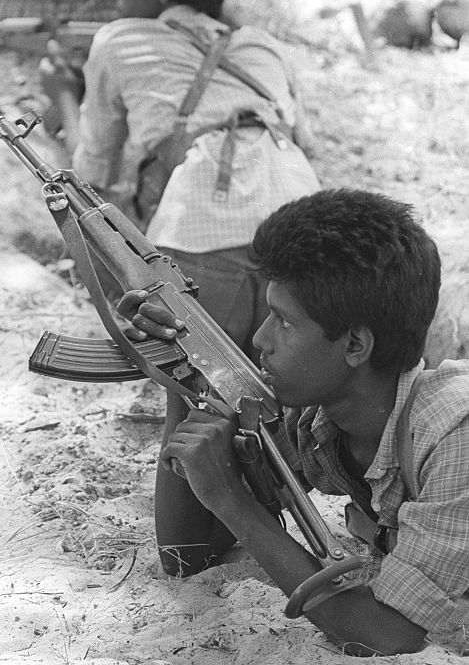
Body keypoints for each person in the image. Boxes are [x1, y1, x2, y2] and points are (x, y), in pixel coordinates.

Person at [117, 188, 469, 657]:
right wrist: (183, 375)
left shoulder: (453, 435)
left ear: (355, 346)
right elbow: (186, 555)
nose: (261, 339)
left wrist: (234, 500)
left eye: (283, 321)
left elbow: (387, 636)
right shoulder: (318, 420)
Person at [39, 0, 320, 357]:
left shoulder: (117, 39)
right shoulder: (262, 46)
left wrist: (64, 97)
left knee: (197, 392)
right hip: (303, 233)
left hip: (201, 235)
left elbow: (91, 177)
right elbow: (304, 142)